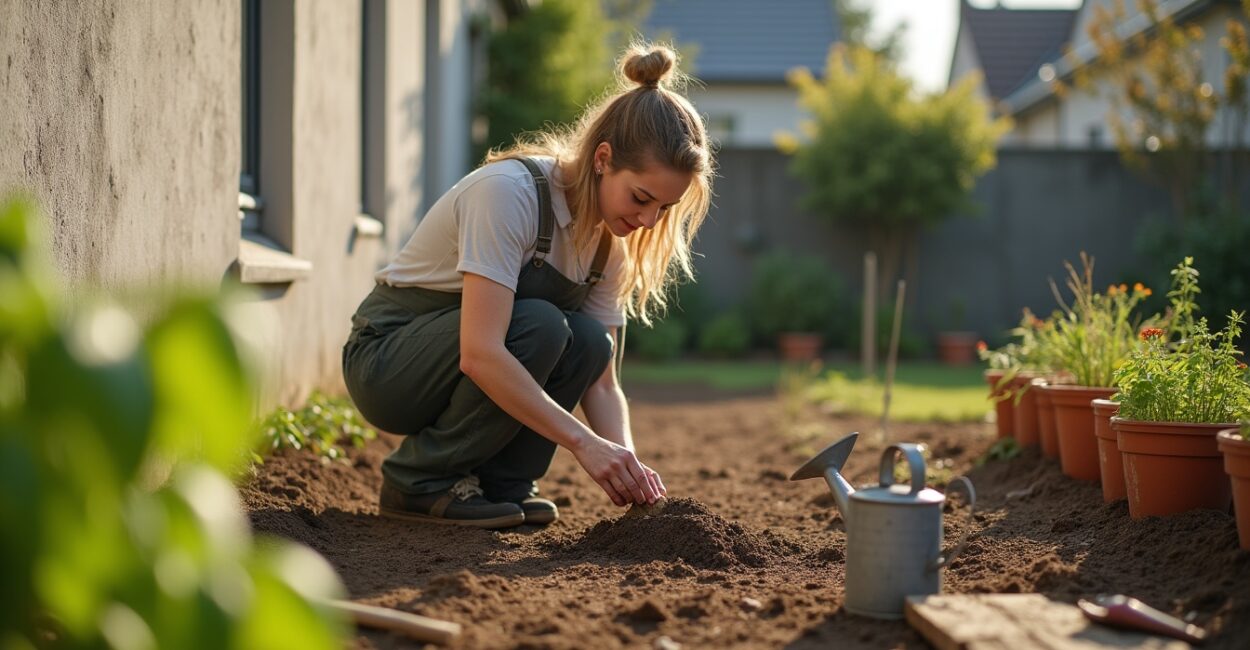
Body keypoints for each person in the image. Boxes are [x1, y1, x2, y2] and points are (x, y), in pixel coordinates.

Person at [342, 43, 713, 529]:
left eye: (663, 208)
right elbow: (480, 353)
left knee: (587, 341)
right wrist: (583, 443)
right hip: (388, 364)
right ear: (603, 158)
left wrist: (628, 469)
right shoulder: (508, 195)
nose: (648, 220)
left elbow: (602, 381)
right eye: (641, 198)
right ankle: (419, 480)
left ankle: (502, 483)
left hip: (451, 362)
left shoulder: (610, 247)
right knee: (540, 325)